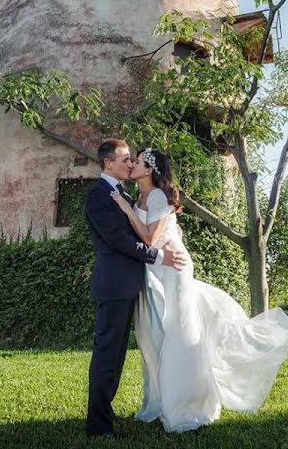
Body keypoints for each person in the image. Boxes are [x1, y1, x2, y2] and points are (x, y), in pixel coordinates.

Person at [110, 148, 288, 433]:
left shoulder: (158, 196)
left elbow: (150, 238)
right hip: (157, 270)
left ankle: (187, 405)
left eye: (136, 161)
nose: (132, 165)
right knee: (156, 335)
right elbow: (163, 232)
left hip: (173, 271)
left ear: (149, 169)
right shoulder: (143, 196)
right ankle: (160, 402)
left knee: (179, 334)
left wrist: (126, 212)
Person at [84, 139, 187, 439]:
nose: (130, 163)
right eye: (126, 158)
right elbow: (117, 240)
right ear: (108, 163)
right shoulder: (99, 197)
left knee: (117, 356)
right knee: (107, 354)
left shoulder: (123, 193)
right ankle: (98, 425)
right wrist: (157, 255)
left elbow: (150, 227)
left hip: (131, 284)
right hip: (115, 285)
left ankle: (106, 413)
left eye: (134, 159)